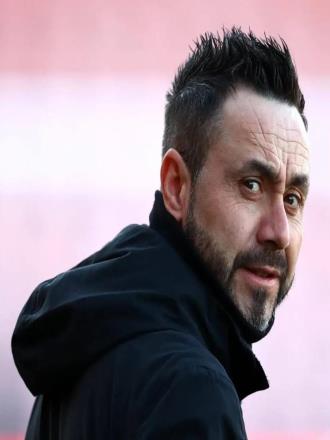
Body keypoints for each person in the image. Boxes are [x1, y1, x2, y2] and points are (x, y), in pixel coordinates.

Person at [12, 27, 310, 439]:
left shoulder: (88, 342)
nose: (279, 232)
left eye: (293, 198)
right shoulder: (191, 389)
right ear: (176, 185)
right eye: (252, 185)